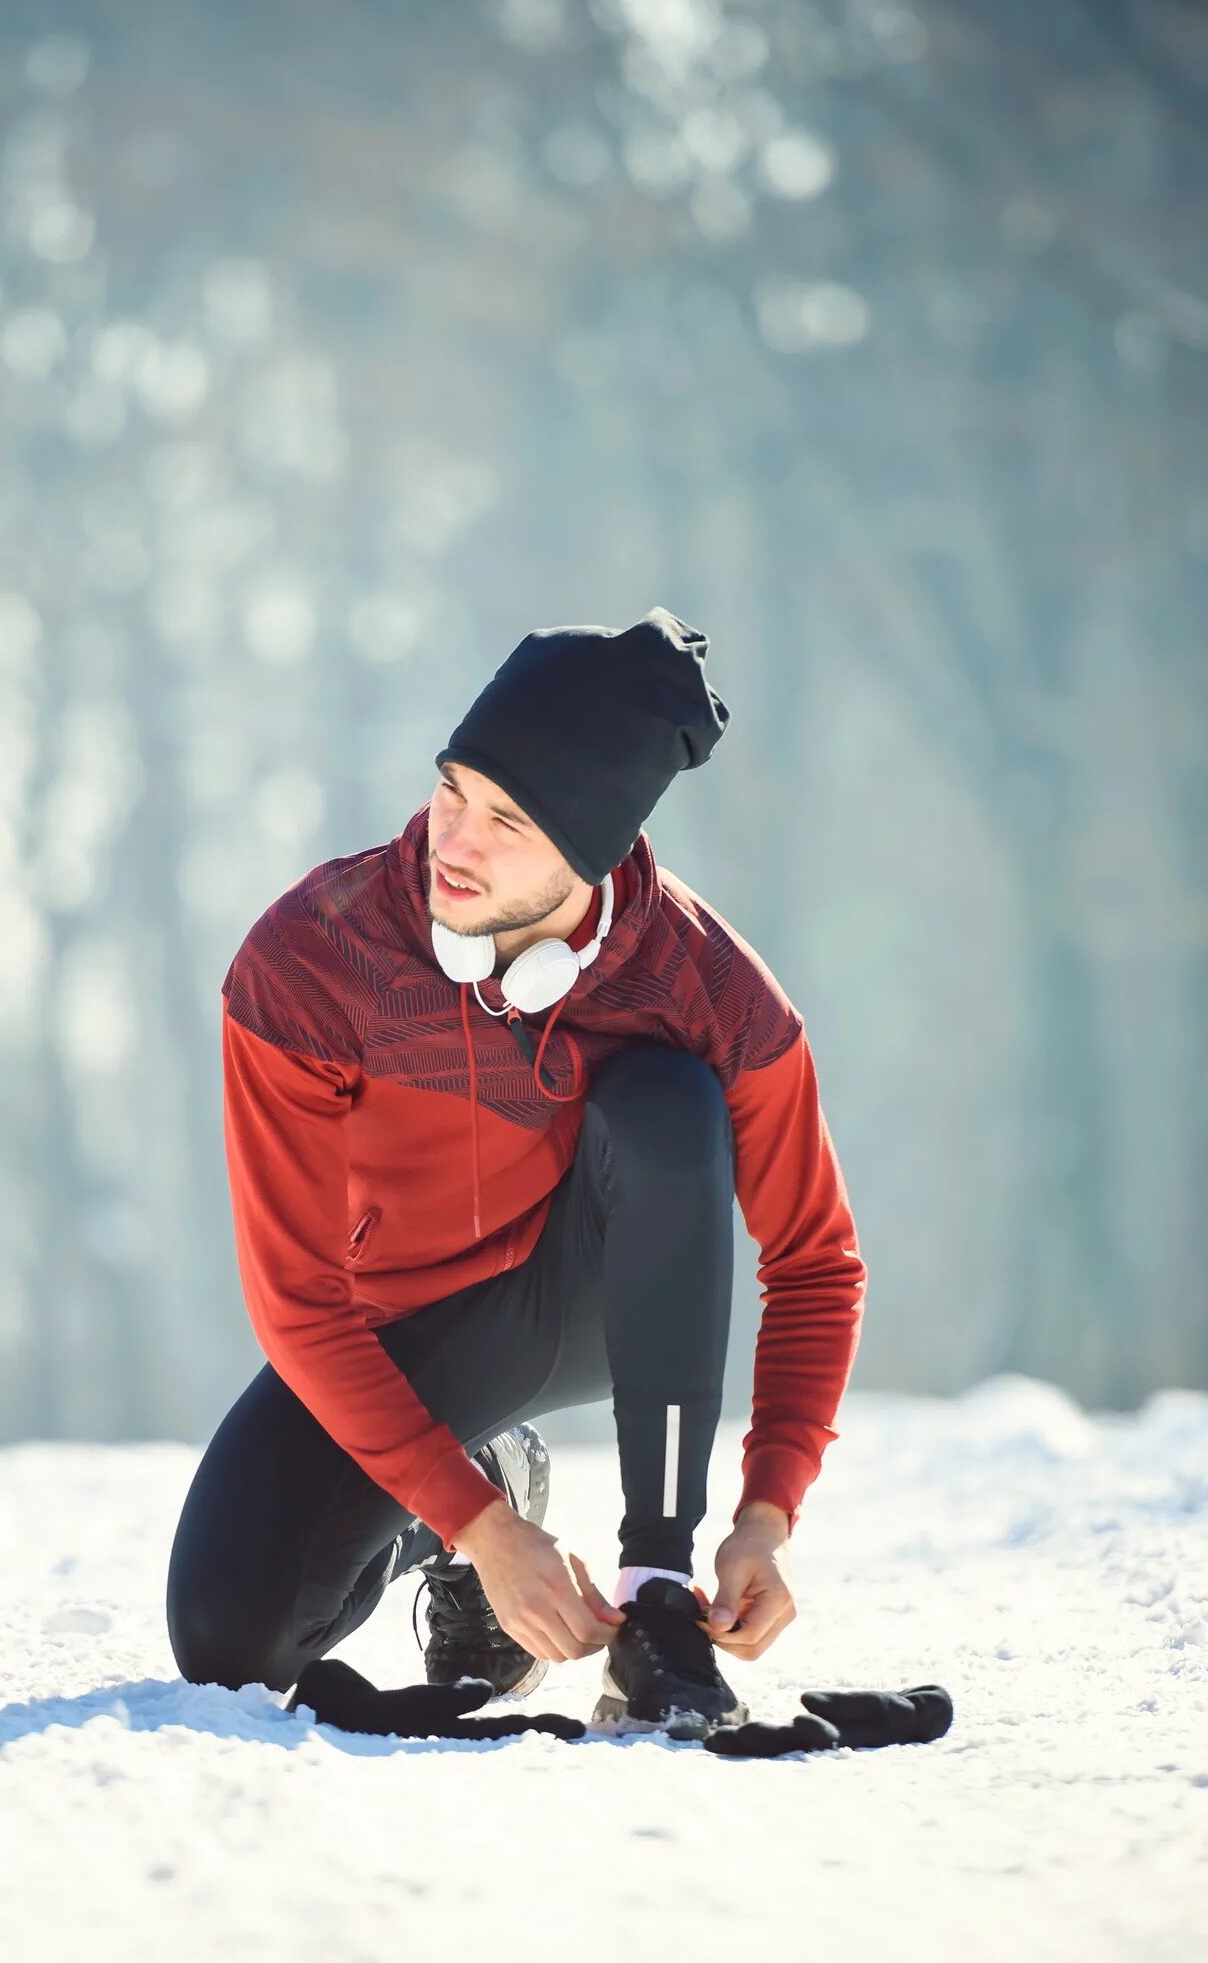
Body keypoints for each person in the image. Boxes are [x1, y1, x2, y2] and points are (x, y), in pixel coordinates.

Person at [165, 608, 867, 1735]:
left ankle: (657, 1596)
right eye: (453, 789)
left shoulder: (714, 991)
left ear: (588, 851)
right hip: (385, 1333)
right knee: (225, 1643)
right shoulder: (310, 959)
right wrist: (478, 1528)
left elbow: (816, 1263)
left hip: (584, 1295)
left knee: (666, 1102)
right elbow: (297, 1303)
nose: (454, 839)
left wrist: (767, 1515)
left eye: (506, 820)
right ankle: (491, 1482)